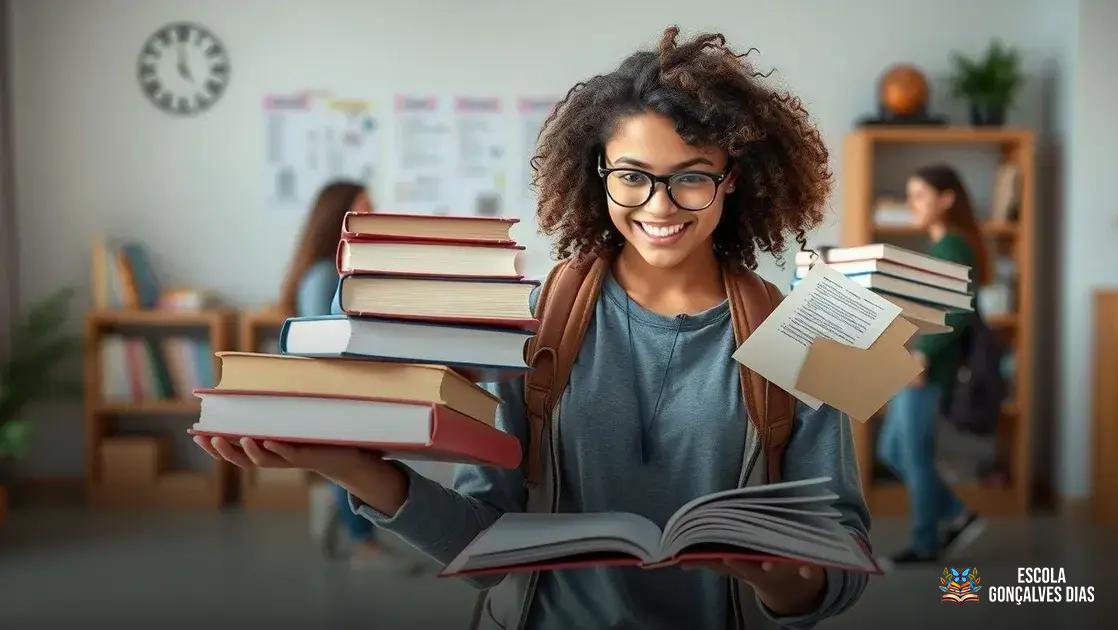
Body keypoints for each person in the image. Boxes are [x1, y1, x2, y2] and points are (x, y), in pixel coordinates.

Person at [196, 27, 869, 629]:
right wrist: (346, 468)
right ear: (598, 176)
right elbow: (487, 551)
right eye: (632, 176)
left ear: (732, 181)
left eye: (690, 178)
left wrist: (791, 585)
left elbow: (843, 551)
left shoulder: (807, 334)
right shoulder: (533, 322)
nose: (659, 205)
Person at [278, 180, 418, 571]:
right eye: (364, 208)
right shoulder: (323, 275)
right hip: (327, 390)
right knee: (360, 451)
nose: (374, 215)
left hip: (350, 382)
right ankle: (363, 547)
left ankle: (333, 499)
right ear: (339, 217)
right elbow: (317, 346)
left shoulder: (349, 269)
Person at [877, 164, 990, 565]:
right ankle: (958, 513)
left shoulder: (953, 246)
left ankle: (926, 544)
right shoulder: (942, 246)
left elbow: (958, 311)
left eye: (920, 195)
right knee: (893, 450)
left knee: (914, 455)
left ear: (946, 199)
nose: (912, 204)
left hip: (925, 369)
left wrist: (923, 356)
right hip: (913, 363)